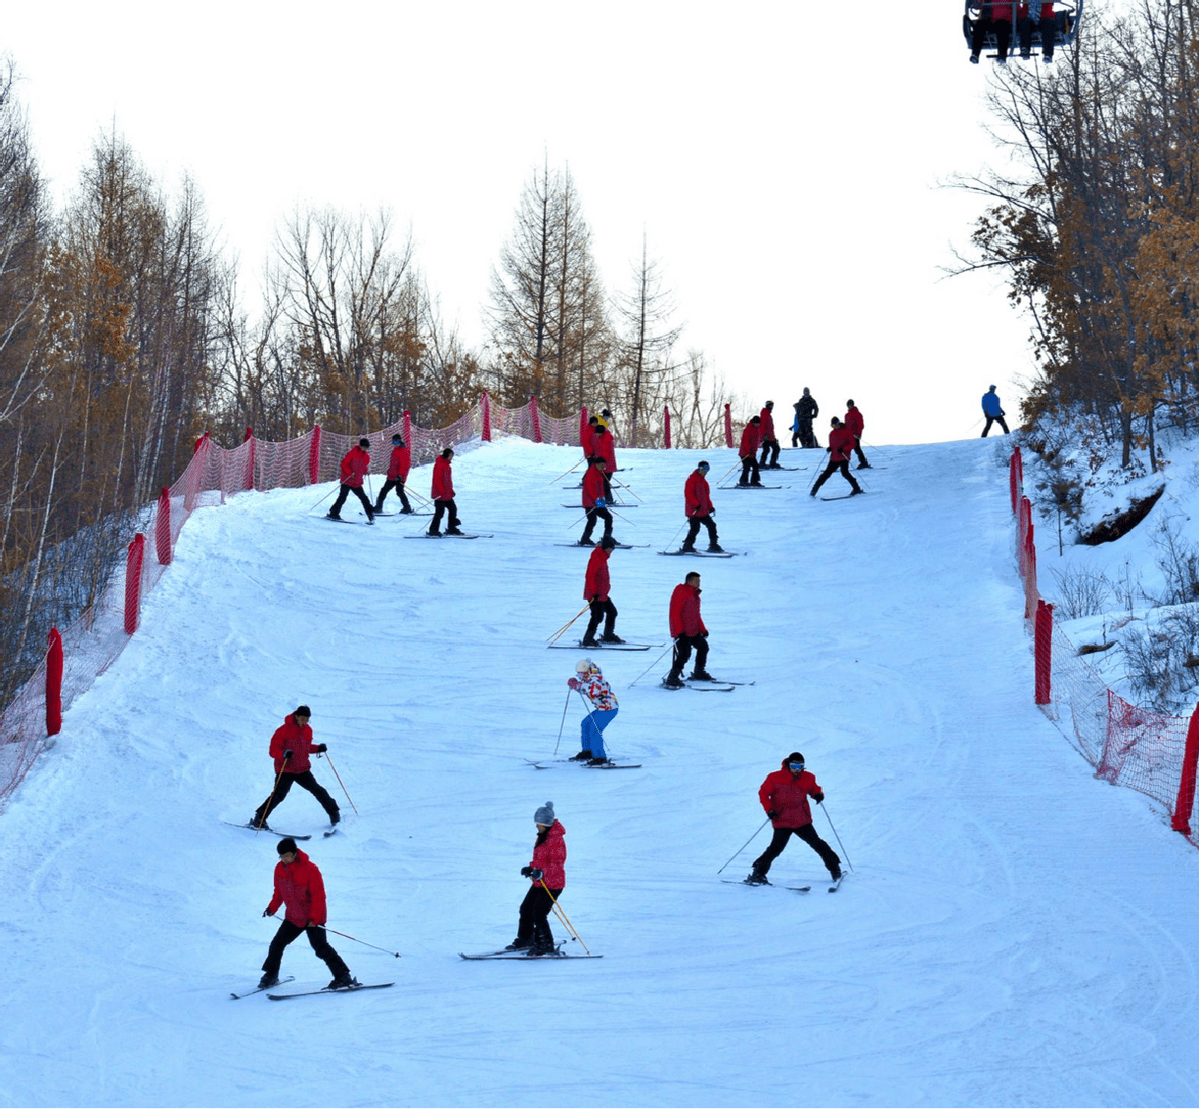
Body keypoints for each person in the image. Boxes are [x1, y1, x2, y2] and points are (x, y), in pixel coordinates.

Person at [258, 837, 357, 989]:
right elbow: (279, 893)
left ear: (295, 852)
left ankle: (343, 977)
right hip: (293, 917)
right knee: (277, 944)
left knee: (321, 948)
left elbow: (319, 896)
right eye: (282, 856)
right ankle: (271, 975)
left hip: (313, 917)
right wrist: (272, 908)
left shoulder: (310, 869)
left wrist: (315, 918)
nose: (285, 859)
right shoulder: (279, 869)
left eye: (288, 855)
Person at [746, 752, 841, 885]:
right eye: (794, 765)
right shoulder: (774, 777)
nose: (797, 769)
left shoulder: (808, 777)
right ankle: (758, 874)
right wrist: (769, 810)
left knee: (818, 844)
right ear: (788, 764)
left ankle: (835, 869)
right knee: (775, 848)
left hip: (801, 820)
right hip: (782, 819)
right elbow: (763, 793)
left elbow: (814, 789)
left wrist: (818, 794)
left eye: (800, 765)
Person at [252, 705, 341, 831]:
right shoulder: (283, 730)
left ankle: (334, 814)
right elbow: (272, 750)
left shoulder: (308, 730)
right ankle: (259, 819)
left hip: (302, 769)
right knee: (278, 795)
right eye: (303, 718)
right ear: (296, 716)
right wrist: (283, 753)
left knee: (317, 790)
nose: (304, 722)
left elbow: (306, 747)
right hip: (286, 769)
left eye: (307, 719)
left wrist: (318, 748)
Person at [506, 802, 567, 955]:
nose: (537, 827)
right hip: (540, 882)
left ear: (546, 824)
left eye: (539, 824)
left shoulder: (556, 840)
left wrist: (542, 873)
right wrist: (531, 869)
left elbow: (557, 863)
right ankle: (526, 938)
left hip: (553, 884)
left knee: (538, 914)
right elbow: (541, 860)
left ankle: (545, 945)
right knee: (525, 909)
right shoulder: (543, 836)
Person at [665, 571, 712, 688]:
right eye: (697, 581)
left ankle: (699, 671)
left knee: (703, 647)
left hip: (693, 631)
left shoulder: (694, 595)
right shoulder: (681, 592)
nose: (699, 583)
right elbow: (675, 613)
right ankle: (672, 678)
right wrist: (680, 632)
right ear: (689, 581)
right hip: (682, 632)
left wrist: (703, 629)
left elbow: (696, 615)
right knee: (684, 654)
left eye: (699, 581)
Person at [567, 658, 619, 764]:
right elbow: (586, 688)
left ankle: (600, 757)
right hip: (601, 707)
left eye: (581, 674)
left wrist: (577, 685)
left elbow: (592, 691)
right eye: (579, 674)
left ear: (587, 672)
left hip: (608, 709)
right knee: (586, 724)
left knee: (595, 730)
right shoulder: (590, 678)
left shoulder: (596, 679)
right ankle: (588, 751)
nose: (580, 676)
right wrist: (577, 685)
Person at [581, 536, 622, 646]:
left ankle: (608, 635)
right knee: (597, 616)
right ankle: (588, 639)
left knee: (612, 612)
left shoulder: (602, 557)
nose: (611, 552)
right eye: (610, 549)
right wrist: (594, 593)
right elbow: (590, 576)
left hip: (602, 594)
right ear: (605, 548)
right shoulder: (596, 557)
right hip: (595, 595)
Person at [809, 418, 864, 498]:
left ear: (838, 424)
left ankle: (857, 488)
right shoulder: (832, 433)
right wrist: (830, 448)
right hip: (834, 458)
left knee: (845, 473)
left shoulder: (847, 431)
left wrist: (844, 449)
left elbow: (852, 444)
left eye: (834, 425)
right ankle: (813, 491)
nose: (833, 427)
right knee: (826, 474)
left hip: (844, 457)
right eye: (832, 425)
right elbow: (832, 445)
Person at [328, 438, 374, 523]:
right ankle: (333, 513)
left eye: (367, 447)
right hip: (347, 480)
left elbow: (363, 466)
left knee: (364, 498)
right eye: (365, 447)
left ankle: (371, 517)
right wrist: (350, 473)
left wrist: (366, 471)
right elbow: (344, 464)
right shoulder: (352, 453)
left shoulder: (366, 456)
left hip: (356, 482)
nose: (366, 449)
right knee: (342, 498)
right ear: (361, 446)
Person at [681, 461, 722, 553]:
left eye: (708, 469)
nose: (707, 472)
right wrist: (696, 504)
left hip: (703, 511)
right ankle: (687, 546)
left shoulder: (704, 481)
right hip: (694, 510)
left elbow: (706, 497)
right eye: (705, 469)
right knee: (695, 528)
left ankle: (713, 545)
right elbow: (688, 494)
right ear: (700, 469)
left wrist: (710, 507)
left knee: (712, 525)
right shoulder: (691, 479)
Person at [579, 456, 614, 547]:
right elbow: (589, 488)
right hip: (589, 502)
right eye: (602, 464)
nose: (603, 466)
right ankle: (585, 538)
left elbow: (600, 488)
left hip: (597, 501)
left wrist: (602, 500)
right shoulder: (591, 473)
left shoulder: (598, 472)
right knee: (592, 520)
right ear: (596, 464)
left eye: (604, 464)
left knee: (608, 517)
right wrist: (596, 499)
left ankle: (607, 537)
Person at [373, 433, 413, 514]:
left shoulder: (404, 451)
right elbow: (393, 464)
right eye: (393, 442)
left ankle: (407, 508)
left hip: (399, 476)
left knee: (399, 491)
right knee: (384, 490)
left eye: (396, 442)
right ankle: (378, 507)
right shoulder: (395, 450)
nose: (395, 444)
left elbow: (404, 465)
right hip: (392, 476)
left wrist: (400, 475)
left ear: (399, 441)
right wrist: (389, 472)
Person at [428, 447, 463, 536]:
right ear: (447, 455)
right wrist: (442, 491)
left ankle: (451, 528)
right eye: (451, 455)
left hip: (446, 494)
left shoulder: (447, 465)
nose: (451, 457)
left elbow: (447, 481)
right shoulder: (440, 464)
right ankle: (433, 530)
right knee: (439, 513)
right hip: (440, 494)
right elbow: (437, 479)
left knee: (453, 509)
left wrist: (450, 491)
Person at [592, 423, 618, 502]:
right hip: (605, 464)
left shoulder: (605, 439)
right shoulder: (604, 437)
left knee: (604, 483)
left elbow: (605, 453)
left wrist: (599, 460)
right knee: (602, 482)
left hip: (606, 465)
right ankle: (605, 499)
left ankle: (608, 499)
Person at [738, 415, 762, 487]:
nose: (758, 424)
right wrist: (749, 450)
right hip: (745, 453)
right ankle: (743, 481)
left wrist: (754, 450)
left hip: (752, 453)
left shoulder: (756, 429)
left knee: (756, 466)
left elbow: (755, 442)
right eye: (757, 423)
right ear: (754, 422)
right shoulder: (748, 429)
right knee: (747, 467)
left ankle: (754, 481)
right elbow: (745, 441)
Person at [844, 400, 870, 469]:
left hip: (855, 435)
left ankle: (863, 462)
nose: (848, 407)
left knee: (857, 449)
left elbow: (861, 425)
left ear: (852, 405)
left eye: (849, 405)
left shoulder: (857, 414)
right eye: (848, 405)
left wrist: (857, 434)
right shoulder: (847, 415)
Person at [757, 401, 781, 469]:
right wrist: (763, 436)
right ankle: (767, 463)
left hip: (770, 437)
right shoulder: (765, 414)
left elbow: (770, 428)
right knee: (770, 449)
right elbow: (762, 426)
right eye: (770, 405)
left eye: (772, 406)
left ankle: (766, 463)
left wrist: (773, 437)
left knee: (770, 449)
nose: (771, 407)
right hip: (766, 437)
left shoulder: (767, 414)